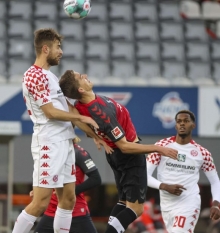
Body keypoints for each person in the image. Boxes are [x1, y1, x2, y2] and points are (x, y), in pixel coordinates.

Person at [12, 28, 109, 233]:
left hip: (64, 142)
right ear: (46, 49)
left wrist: (93, 135)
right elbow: (50, 112)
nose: (61, 51)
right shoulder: (33, 75)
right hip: (49, 142)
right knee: (40, 203)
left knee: (69, 198)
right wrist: (81, 117)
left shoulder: (51, 77)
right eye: (58, 47)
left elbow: (69, 110)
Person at [58, 70, 178, 233]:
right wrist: (158, 148)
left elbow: (76, 116)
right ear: (80, 90)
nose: (85, 76)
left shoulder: (81, 106)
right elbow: (125, 146)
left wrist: (96, 137)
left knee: (123, 203)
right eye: (81, 77)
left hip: (115, 155)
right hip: (129, 157)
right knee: (136, 209)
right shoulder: (101, 113)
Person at [147, 110, 220, 233]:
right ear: (175, 126)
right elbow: (145, 175)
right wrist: (165, 187)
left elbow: (215, 181)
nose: (182, 124)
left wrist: (216, 204)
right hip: (167, 205)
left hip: (189, 203)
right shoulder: (161, 146)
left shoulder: (202, 153)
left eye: (186, 121)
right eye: (179, 121)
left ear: (193, 125)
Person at [33, 136, 101, 233]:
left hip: (76, 212)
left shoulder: (78, 152)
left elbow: (96, 179)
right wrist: (39, 189)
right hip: (52, 211)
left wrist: (70, 192)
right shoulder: (51, 152)